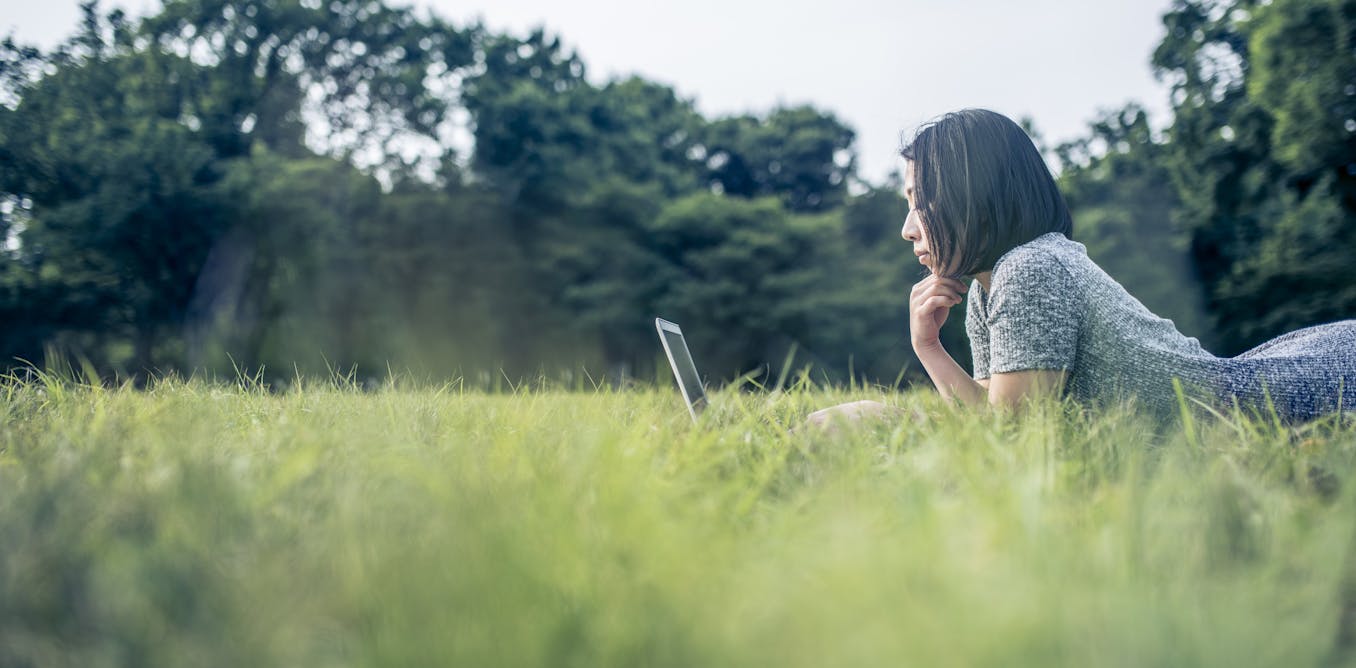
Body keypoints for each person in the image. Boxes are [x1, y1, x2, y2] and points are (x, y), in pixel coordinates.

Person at [808, 108, 1356, 427]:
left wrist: (890, 410)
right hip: (1250, 379)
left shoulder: (1029, 269)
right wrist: (930, 347)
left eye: (920, 201)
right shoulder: (985, 285)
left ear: (971, 199)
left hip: (1276, 404)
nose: (908, 228)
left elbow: (1017, 437)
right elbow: (997, 415)